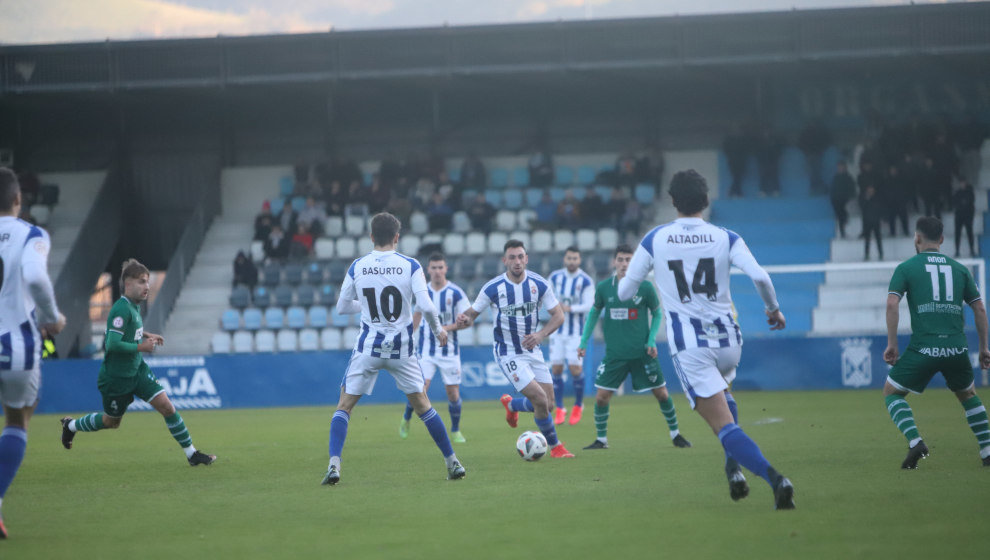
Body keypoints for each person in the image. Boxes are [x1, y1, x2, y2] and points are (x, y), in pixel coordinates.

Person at [618, 169, 795, 509]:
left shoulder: (655, 239)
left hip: (691, 345)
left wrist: (639, 275)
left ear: (672, 201)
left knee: (723, 426)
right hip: (729, 340)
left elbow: (626, 292)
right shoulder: (726, 236)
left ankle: (775, 479)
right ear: (706, 200)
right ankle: (733, 470)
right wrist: (773, 310)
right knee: (724, 400)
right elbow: (760, 275)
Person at [322, 213, 464, 485]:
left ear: (371, 236)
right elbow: (427, 306)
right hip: (402, 349)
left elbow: (342, 307)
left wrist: (364, 306)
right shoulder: (410, 266)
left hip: (369, 348)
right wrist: (438, 330)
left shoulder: (358, 266)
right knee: (424, 406)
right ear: (397, 237)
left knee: (344, 407)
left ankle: (333, 466)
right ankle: (452, 462)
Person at [60, 259, 216, 468]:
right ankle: (71, 426)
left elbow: (127, 332)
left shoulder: (133, 308)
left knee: (167, 407)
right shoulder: (120, 309)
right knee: (111, 422)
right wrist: (142, 347)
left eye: (148, 282)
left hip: (137, 370)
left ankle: (192, 454)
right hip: (116, 378)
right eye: (142, 281)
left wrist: (147, 335)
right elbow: (112, 343)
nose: (147, 287)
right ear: (128, 284)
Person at [882, 216, 990, 469]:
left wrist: (892, 343)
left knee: (892, 393)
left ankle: (915, 441)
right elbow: (980, 310)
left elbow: (891, 303)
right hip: (956, 347)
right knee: (968, 395)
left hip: (924, 347)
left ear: (917, 238)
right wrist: (984, 347)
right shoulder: (961, 269)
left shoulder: (906, 268)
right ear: (941, 240)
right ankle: (987, 450)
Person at [455, 240, 574, 458]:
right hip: (507, 351)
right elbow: (472, 314)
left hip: (533, 350)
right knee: (538, 398)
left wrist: (540, 335)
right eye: (512, 257)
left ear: (526, 259)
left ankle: (512, 406)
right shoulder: (493, 288)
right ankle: (556, 447)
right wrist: (464, 319)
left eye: (521, 256)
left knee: (548, 405)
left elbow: (559, 315)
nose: (517, 261)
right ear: (505, 260)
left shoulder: (539, 284)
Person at [0, 168, 66, 539]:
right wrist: (52, 318)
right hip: (15, 347)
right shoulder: (31, 234)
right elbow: (37, 278)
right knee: (17, 419)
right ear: (18, 200)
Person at [577, 245, 690, 450]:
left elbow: (657, 314)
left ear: (635, 263)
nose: (624, 264)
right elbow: (593, 313)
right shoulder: (604, 288)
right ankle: (601, 440)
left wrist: (651, 340)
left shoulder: (646, 287)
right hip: (615, 355)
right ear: (614, 262)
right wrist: (584, 341)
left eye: (629, 260)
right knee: (601, 397)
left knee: (662, 394)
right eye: (620, 260)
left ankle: (676, 434)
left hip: (643, 353)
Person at [399, 254, 471, 443]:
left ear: (446, 269)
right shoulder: (423, 292)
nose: (437, 271)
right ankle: (406, 419)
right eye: (434, 268)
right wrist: (406, 336)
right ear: (428, 270)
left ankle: (455, 430)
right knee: (420, 389)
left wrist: (446, 328)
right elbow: (416, 317)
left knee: (453, 393)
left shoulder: (456, 293)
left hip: (450, 351)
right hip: (426, 351)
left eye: (440, 267)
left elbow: (467, 322)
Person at [547, 247, 595, 425]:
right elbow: (545, 296)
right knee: (557, 369)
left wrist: (569, 309)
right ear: (564, 259)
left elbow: (590, 305)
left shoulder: (586, 281)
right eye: (569, 258)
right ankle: (560, 407)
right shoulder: (554, 277)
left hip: (576, 333)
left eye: (575, 258)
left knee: (575, 369)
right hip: (556, 332)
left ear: (580, 260)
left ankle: (578, 405)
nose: (572, 261)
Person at [829, 162, 856, 238]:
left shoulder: (848, 178)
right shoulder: (835, 178)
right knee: (841, 215)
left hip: (845, 200)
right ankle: (842, 232)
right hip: (837, 200)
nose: (840, 169)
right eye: (839, 167)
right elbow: (832, 189)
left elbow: (852, 189)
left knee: (843, 215)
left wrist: (849, 197)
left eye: (841, 167)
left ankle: (843, 231)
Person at [860, 185, 884, 261]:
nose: (870, 192)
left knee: (878, 238)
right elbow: (862, 207)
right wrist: (866, 199)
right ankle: (866, 254)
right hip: (867, 221)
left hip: (876, 221)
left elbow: (880, 208)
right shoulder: (864, 198)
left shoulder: (877, 198)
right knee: (867, 239)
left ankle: (881, 254)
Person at [953, 181, 976, 258]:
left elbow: (972, 206)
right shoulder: (957, 193)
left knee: (970, 233)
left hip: (967, 216)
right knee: (957, 234)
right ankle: (957, 251)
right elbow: (955, 204)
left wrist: (971, 217)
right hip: (959, 216)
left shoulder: (970, 193)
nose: (962, 184)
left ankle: (972, 250)